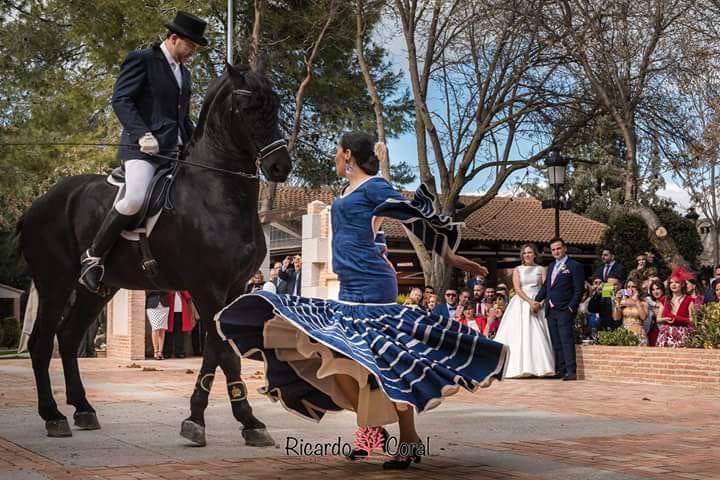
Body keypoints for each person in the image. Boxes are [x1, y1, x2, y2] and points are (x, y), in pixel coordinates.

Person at [216, 133, 507, 470]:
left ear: (348, 154)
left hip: (373, 286)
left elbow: (413, 216)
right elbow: (371, 227)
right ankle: (372, 430)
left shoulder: (374, 188)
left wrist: (450, 256)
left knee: (384, 361)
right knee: (349, 357)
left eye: (337, 152)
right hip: (350, 286)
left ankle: (408, 438)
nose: (335, 158)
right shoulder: (351, 191)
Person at [79, 11, 208, 293]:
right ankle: (93, 258)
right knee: (135, 199)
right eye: (192, 46)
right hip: (142, 151)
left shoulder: (183, 73)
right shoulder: (143, 59)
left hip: (174, 152)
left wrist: (198, 144)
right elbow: (121, 99)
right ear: (174, 38)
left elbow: (182, 118)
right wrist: (142, 134)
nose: (193, 53)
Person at [494, 244, 555, 378]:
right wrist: (529, 302)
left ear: (535, 254)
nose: (527, 255)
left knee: (538, 333)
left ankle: (541, 367)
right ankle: (518, 367)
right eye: (525, 253)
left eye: (530, 252)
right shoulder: (517, 270)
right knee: (519, 334)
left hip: (538, 301)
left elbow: (546, 288)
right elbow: (517, 289)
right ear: (522, 255)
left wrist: (539, 303)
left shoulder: (541, 269)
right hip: (522, 302)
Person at [535, 238, 585, 381]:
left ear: (564, 248)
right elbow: (546, 287)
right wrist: (536, 300)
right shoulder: (551, 266)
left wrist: (571, 307)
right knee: (556, 341)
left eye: (558, 248)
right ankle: (561, 370)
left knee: (566, 341)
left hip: (565, 310)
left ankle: (571, 371)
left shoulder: (574, 266)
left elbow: (578, 290)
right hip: (550, 310)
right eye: (553, 250)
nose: (556, 252)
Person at [657, 268, 696, 348]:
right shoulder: (664, 299)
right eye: (671, 282)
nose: (673, 285)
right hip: (666, 334)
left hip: (682, 334)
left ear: (682, 284)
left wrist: (677, 319)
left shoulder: (689, 300)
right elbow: (658, 319)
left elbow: (693, 321)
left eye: (677, 282)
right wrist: (666, 319)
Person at [612, 279, 649, 345]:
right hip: (625, 333)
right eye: (628, 287)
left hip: (639, 334)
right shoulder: (623, 302)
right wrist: (617, 302)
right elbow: (616, 318)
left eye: (633, 287)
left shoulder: (643, 303)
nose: (630, 289)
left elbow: (643, 317)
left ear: (638, 288)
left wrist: (637, 300)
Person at [164, 290, 194, 358]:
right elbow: (165, 296)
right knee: (169, 332)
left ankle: (179, 352)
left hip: (181, 311)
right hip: (170, 310)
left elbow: (188, 296)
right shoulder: (169, 287)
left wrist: (180, 290)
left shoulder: (182, 288)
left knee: (180, 333)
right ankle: (167, 352)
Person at [146, 291, 169, 360]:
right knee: (155, 328)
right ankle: (155, 352)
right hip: (152, 305)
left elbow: (170, 291)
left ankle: (160, 352)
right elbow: (147, 292)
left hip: (164, 306)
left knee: (162, 329)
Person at [645, 280, 666, 347]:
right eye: (653, 289)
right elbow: (645, 298)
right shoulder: (649, 301)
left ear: (662, 289)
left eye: (658, 289)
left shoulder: (667, 301)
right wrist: (656, 305)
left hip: (662, 331)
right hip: (649, 331)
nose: (655, 292)